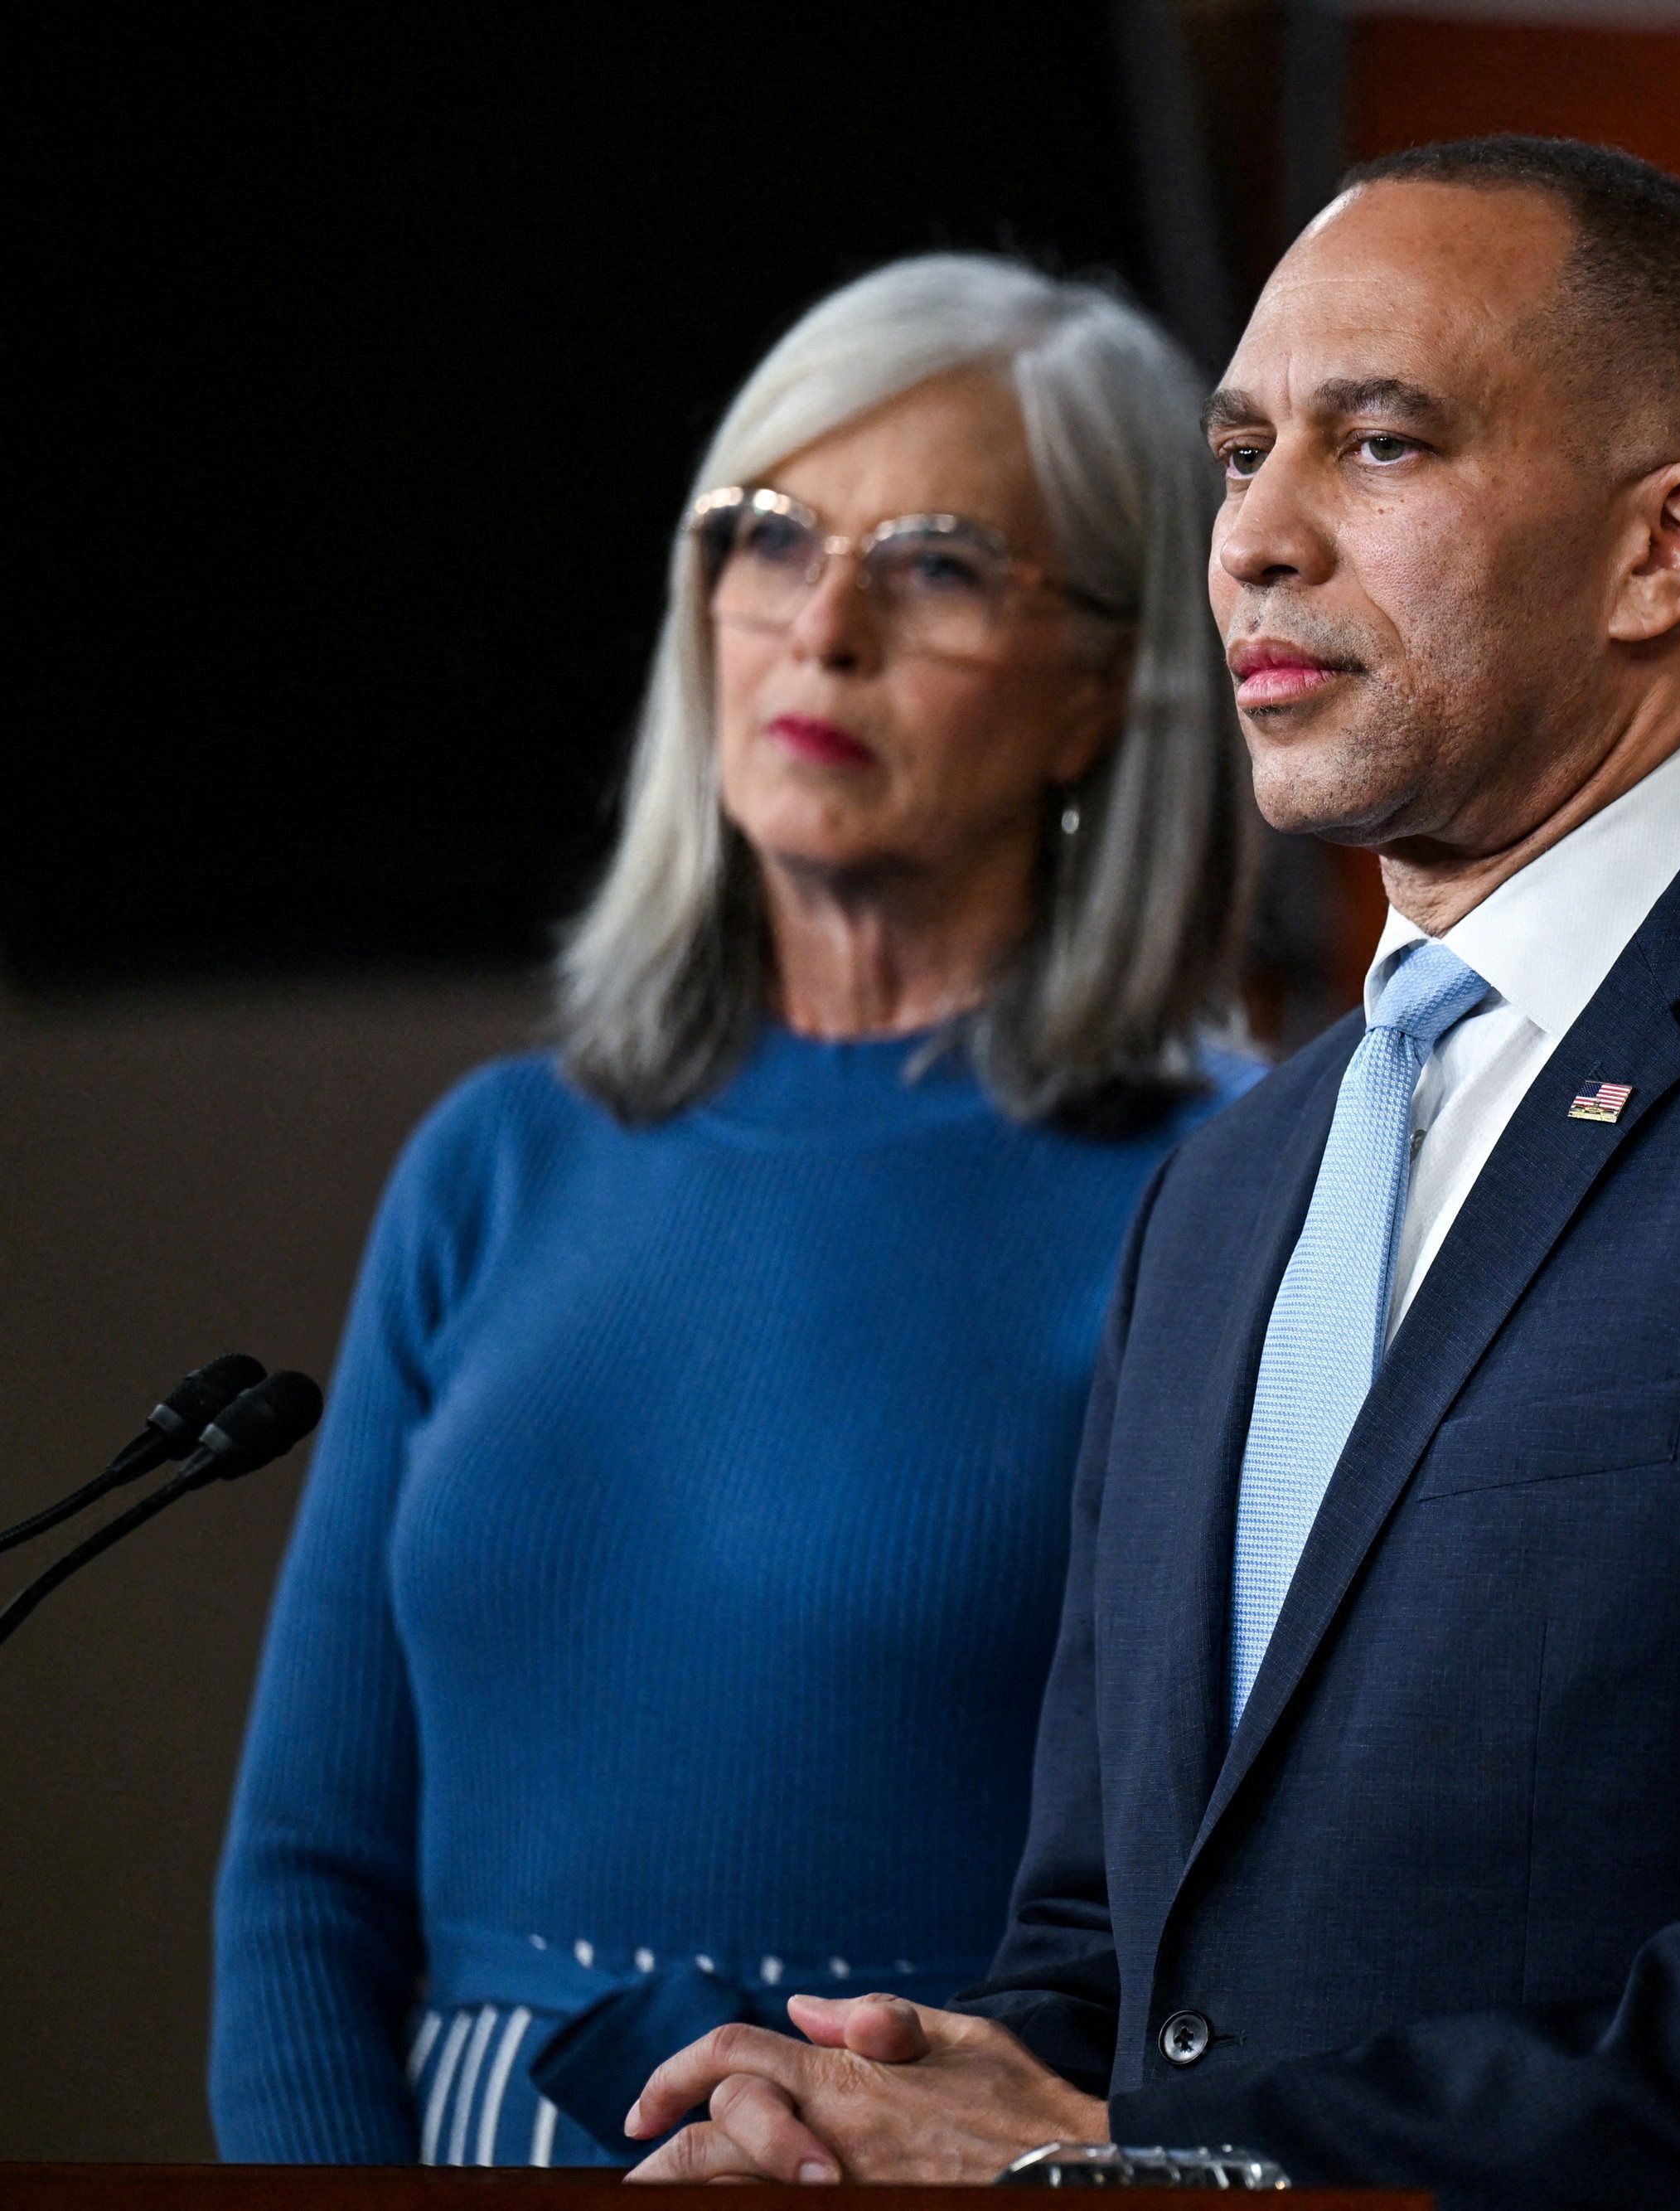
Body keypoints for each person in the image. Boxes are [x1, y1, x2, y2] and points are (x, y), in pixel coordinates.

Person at [621, 136, 1680, 2205]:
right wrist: (881, 2122)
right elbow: (1108, 1962)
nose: (1256, 543)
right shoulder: (1235, 1177)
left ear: (1667, 546)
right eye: (1240, 451)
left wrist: (1130, 2164)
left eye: (1376, 446)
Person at [209, 254, 1261, 2168]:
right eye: (767, 538)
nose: (823, 624)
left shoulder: (1238, 1187)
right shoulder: (497, 1156)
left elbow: (1250, 1905)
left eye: (938, 563)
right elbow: (304, 1875)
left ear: (1104, 686)